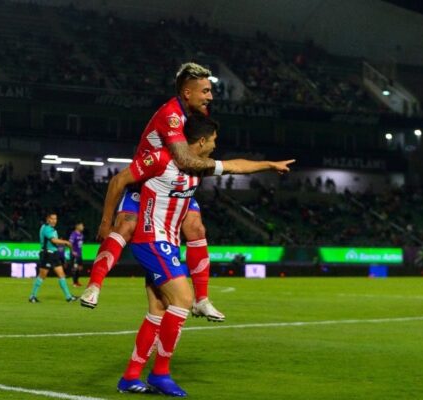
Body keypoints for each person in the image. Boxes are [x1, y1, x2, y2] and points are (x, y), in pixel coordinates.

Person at [114, 113, 294, 395]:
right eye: (213, 140)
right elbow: (125, 180)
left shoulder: (198, 166)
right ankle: (160, 373)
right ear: (200, 142)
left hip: (169, 241)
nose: (215, 145)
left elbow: (236, 166)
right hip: (153, 238)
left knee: (159, 309)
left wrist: (269, 165)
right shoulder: (164, 160)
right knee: (183, 300)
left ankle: (130, 377)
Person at [81, 62, 225, 321]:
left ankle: (202, 299)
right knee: (125, 225)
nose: (210, 97)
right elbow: (184, 159)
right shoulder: (171, 115)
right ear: (187, 92)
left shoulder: (196, 115)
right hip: (147, 179)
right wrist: (230, 167)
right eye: (204, 91)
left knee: (196, 227)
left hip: (172, 183)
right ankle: (94, 285)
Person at [29, 212, 78, 303]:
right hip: (47, 254)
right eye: (52, 219)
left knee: (61, 275)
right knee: (42, 276)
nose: (54, 221)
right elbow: (54, 240)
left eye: (55, 219)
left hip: (53, 254)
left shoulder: (51, 229)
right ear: (48, 219)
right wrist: (66, 242)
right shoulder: (47, 228)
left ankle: (68, 297)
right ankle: (32, 296)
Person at [69, 222, 85, 287]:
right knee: (75, 268)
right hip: (74, 254)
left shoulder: (81, 235)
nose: (83, 227)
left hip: (79, 254)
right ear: (77, 226)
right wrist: (72, 251)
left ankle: (77, 281)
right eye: (81, 226)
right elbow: (70, 243)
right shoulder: (73, 234)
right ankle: (74, 283)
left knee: (80, 268)